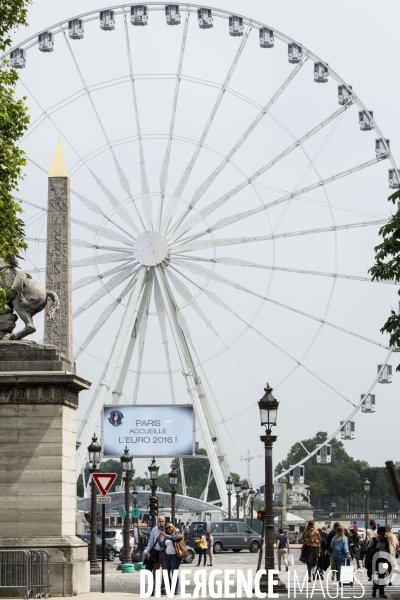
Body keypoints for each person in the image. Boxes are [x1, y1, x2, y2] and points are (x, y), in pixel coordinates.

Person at [145, 515, 168, 596]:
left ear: (164, 521)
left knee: (165, 572)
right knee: (155, 572)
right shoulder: (154, 530)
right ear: (157, 521)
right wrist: (148, 551)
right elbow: (151, 541)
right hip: (156, 553)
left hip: (165, 553)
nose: (161, 523)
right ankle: (153, 588)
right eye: (160, 521)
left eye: (162, 521)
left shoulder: (167, 529)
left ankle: (163, 588)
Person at [159, 523, 183, 596]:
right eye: (166, 528)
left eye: (169, 527)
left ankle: (175, 590)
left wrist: (165, 535)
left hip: (175, 557)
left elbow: (173, 538)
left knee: (174, 573)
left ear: (173, 527)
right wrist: (159, 539)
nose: (168, 529)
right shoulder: (166, 537)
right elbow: (162, 545)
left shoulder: (177, 534)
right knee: (166, 573)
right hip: (167, 556)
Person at [366, 526, 390, 598]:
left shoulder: (386, 540)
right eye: (382, 534)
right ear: (378, 534)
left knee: (381, 577)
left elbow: (387, 550)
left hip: (383, 560)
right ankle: (380, 592)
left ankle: (376, 589)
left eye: (384, 534)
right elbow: (369, 550)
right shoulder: (373, 541)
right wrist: (374, 551)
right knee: (379, 577)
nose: (383, 536)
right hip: (375, 561)